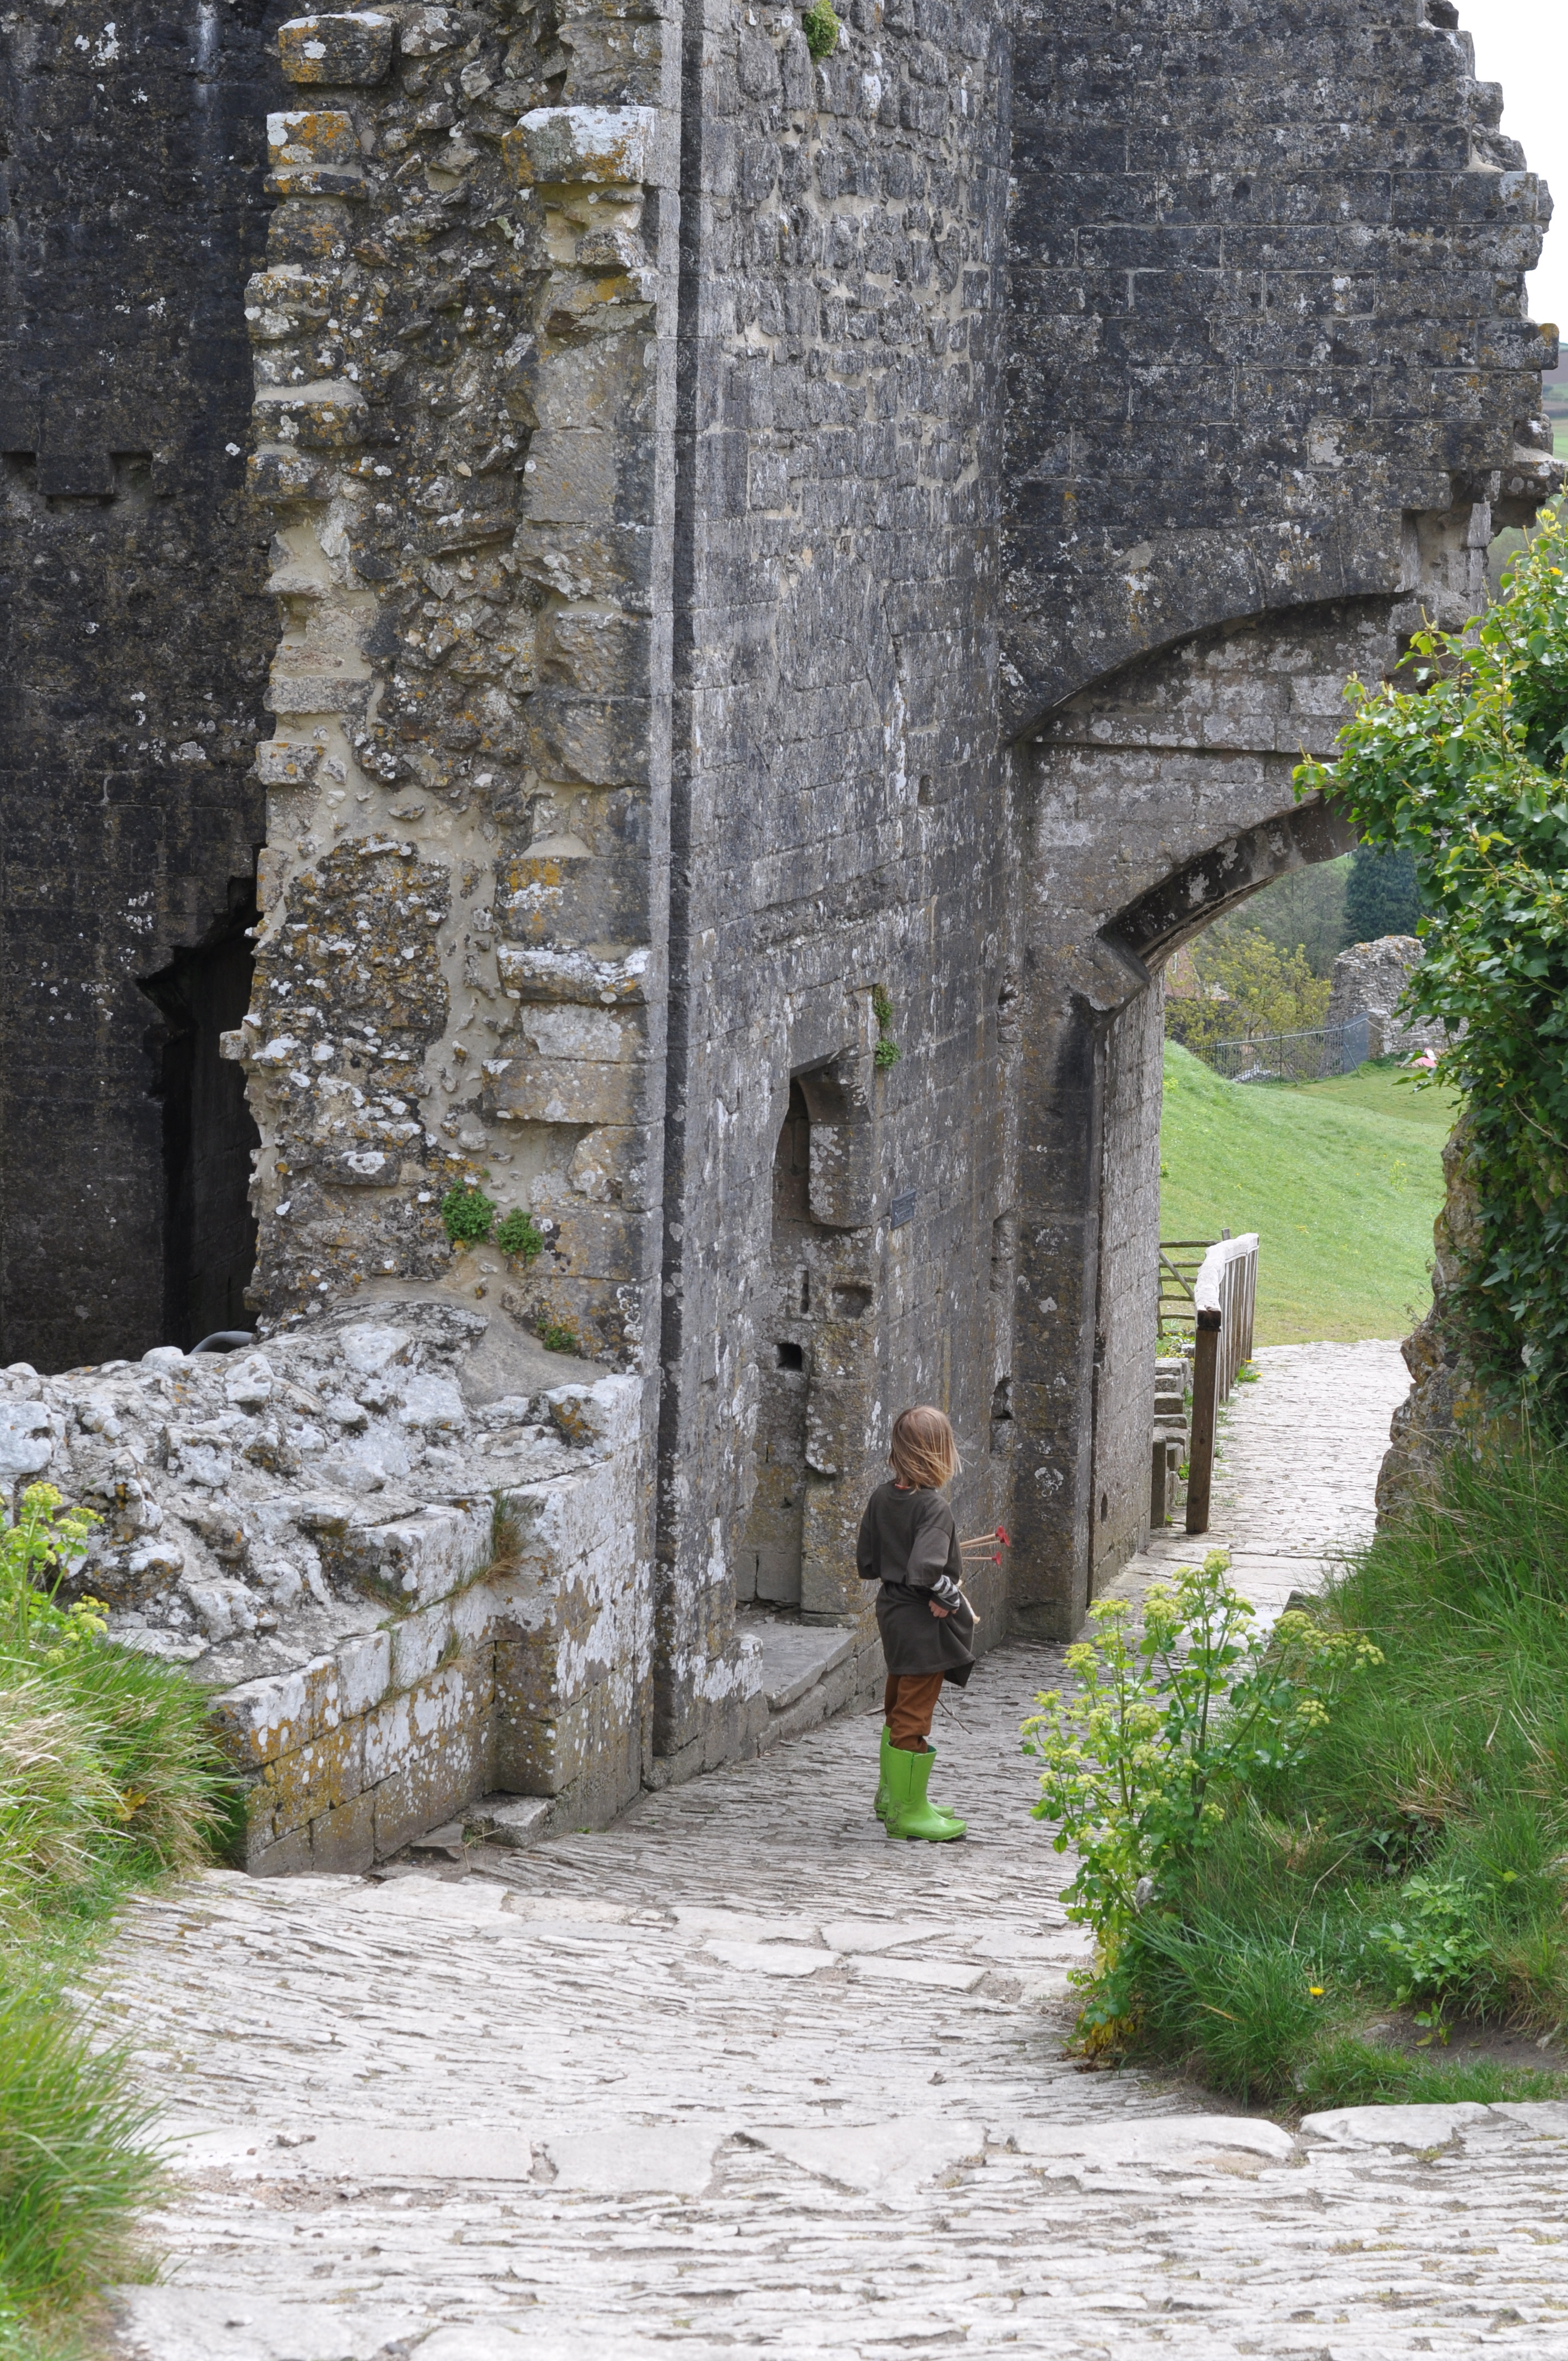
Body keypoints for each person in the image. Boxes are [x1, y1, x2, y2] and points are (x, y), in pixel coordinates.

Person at [856, 1404, 975, 1841]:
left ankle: (891, 1797)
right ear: (941, 1453)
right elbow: (927, 1570)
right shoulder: (933, 1508)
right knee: (914, 1713)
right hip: (922, 1621)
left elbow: (867, 1562)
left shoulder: (882, 1497)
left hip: (891, 1612)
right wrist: (947, 1594)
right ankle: (909, 1812)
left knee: (896, 1700)